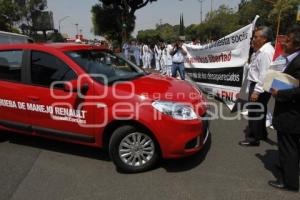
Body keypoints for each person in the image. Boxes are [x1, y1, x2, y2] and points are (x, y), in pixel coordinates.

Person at [268, 25, 300, 192]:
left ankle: (290, 182)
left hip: (291, 113)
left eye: (287, 41)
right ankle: (288, 169)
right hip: (289, 111)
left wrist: (280, 93)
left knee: (289, 147)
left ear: (297, 44)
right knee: (291, 146)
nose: (283, 43)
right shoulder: (291, 58)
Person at [239, 26, 275, 146]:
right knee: (261, 111)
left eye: (256, 37)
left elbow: (264, 74)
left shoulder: (265, 52)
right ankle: (262, 134)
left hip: (259, 86)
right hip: (259, 85)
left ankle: (253, 139)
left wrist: (256, 91)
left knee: (254, 112)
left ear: (264, 38)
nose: (253, 39)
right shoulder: (261, 50)